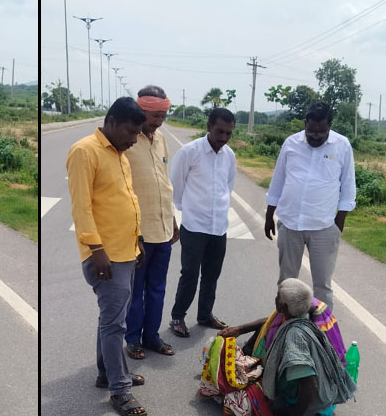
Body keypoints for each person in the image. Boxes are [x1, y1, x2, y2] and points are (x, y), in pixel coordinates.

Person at [67, 97, 148, 416]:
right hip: (105, 256)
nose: (133, 139)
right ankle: (120, 390)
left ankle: (108, 375)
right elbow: (81, 206)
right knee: (115, 325)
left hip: (125, 251)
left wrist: (137, 240)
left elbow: (125, 198)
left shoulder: (120, 153)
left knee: (113, 321)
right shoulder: (85, 151)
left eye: (138, 134)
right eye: (130, 131)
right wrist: (95, 249)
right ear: (112, 122)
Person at [264, 101, 356, 311]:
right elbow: (278, 180)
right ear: (305, 123)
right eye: (311, 130)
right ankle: (282, 329)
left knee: (322, 286)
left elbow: (348, 186)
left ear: (329, 126)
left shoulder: (342, 146)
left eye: (321, 131)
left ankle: (323, 335)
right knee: (286, 283)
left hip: (324, 226)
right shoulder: (291, 143)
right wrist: (270, 215)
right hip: (290, 223)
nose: (315, 135)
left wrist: (338, 223)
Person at [219, 279, 356, 416]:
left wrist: (294, 413)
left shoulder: (294, 337)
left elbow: (310, 384)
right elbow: (266, 322)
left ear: (283, 307)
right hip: (321, 394)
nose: (275, 298)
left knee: (234, 402)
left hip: (301, 403)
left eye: (278, 296)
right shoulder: (306, 320)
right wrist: (239, 329)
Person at [169, 108, 236, 338]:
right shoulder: (190, 152)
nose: (223, 137)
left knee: (211, 274)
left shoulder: (229, 155)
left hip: (219, 227)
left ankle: (205, 314)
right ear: (209, 126)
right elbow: (176, 185)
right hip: (195, 225)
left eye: (228, 133)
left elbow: (228, 185)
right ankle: (178, 316)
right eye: (220, 131)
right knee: (189, 273)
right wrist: (183, 212)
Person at [123, 85, 179, 360]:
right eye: (153, 116)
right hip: (139, 234)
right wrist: (132, 233)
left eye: (163, 116)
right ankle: (132, 339)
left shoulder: (161, 140)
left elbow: (164, 183)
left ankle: (152, 336)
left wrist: (173, 220)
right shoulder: (127, 141)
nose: (158, 122)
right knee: (136, 291)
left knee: (157, 288)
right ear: (140, 111)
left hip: (163, 230)